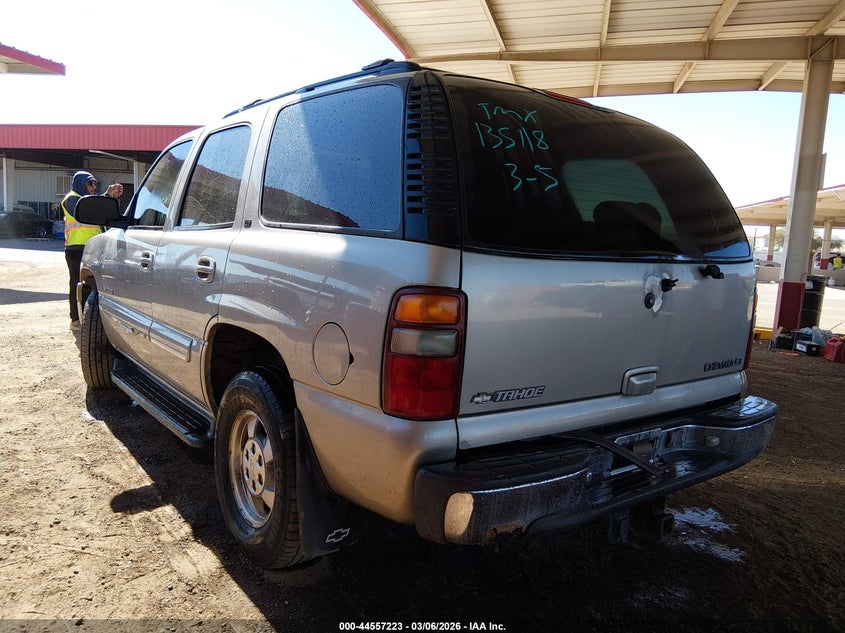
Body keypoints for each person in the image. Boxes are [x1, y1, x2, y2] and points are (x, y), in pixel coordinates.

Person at [62, 171, 123, 330]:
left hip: (92, 248)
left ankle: (89, 319)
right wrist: (107, 195)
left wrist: (109, 197)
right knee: (77, 285)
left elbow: (96, 208)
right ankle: (76, 320)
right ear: (81, 184)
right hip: (76, 249)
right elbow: (90, 209)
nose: (93, 188)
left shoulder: (84, 199)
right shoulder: (71, 199)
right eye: (90, 184)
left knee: (92, 285)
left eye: (95, 184)